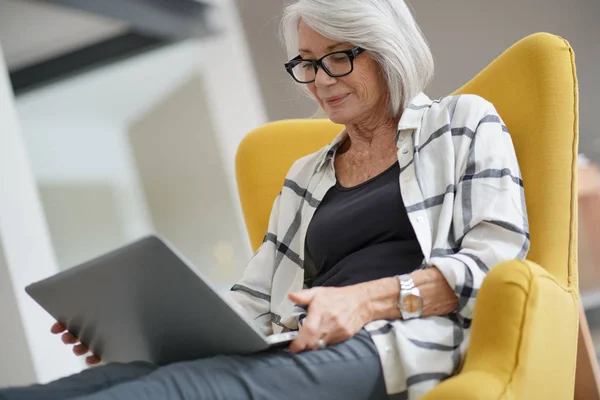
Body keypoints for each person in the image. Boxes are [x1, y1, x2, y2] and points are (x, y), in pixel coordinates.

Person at [0, 0, 529, 399]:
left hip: (396, 345)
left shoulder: (461, 122)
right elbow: (254, 304)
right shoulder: (306, 175)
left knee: (164, 394)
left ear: (387, 49)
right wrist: (138, 334)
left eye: (338, 58)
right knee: (98, 383)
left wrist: (365, 300)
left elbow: (498, 260)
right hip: (296, 344)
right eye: (306, 63)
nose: (320, 81)